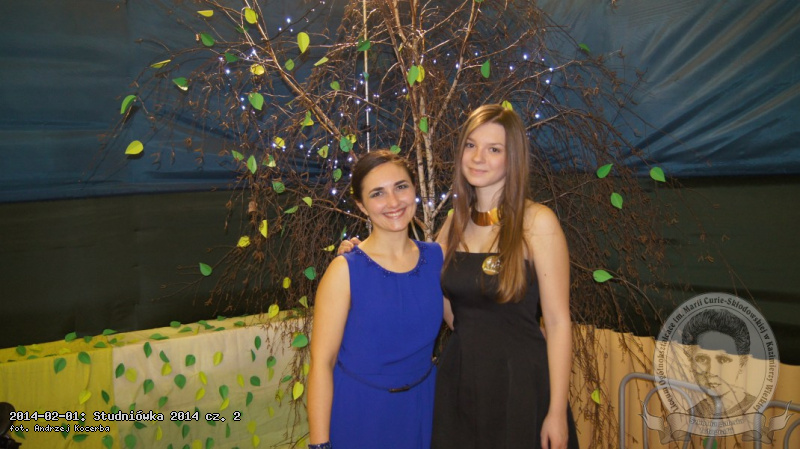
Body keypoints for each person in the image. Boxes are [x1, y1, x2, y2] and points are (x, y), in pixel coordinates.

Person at [340, 105, 579, 449]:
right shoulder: (455, 222)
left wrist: (556, 411)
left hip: (520, 384)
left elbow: (557, 323)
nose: (478, 157)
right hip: (461, 381)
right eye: (471, 145)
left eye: (494, 149)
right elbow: (418, 275)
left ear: (513, 158)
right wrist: (362, 256)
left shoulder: (537, 222)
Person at [307, 150, 444, 449]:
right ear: (361, 205)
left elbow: (469, 321)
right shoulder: (345, 270)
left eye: (401, 187)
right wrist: (319, 445)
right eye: (378, 193)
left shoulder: (436, 258)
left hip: (424, 409)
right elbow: (322, 364)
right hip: (361, 414)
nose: (393, 202)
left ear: (414, 189)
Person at [681, 309, 756, 418]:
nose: (712, 371)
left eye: (723, 360)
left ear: (742, 364)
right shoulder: (688, 415)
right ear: (691, 363)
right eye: (702, 359)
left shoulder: (758, 411)